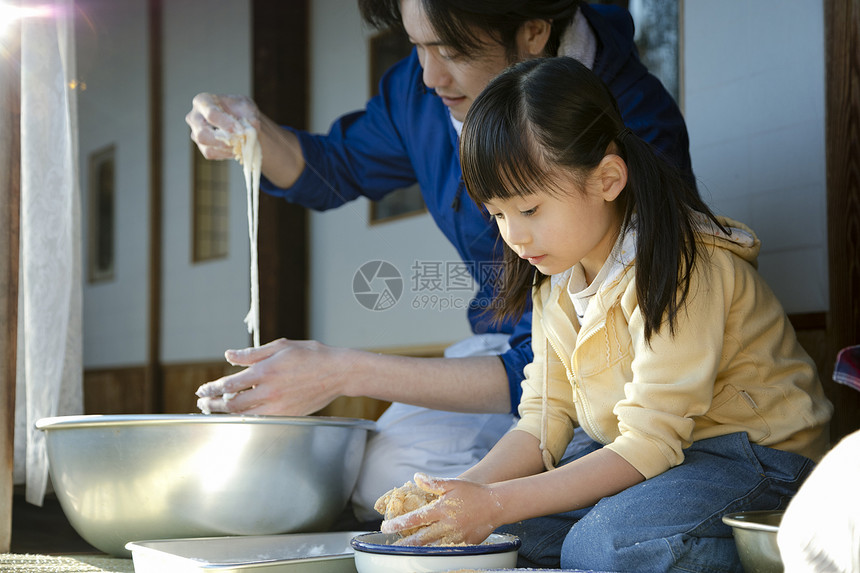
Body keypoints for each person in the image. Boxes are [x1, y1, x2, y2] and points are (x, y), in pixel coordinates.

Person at [186, 0, 694, 523]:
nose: (428, 76)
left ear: (534, 32)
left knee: (584, 518)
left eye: (450, 50)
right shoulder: (420, 88)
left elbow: (606, 372)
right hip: (517, 356)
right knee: (386, 483)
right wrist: (252, 134)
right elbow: (334, 165)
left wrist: (344, 372)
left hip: (615, 369)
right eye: (416, 46)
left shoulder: (633, 130)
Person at [376, 56, 833, 572]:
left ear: (608, 179)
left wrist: (498, 502)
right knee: (493, 535)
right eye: (497, 214)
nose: (514, 235)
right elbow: (543, 420)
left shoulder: (683, 264)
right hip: (654, 457)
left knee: (603, 548)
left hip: (757, 461)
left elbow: (651, 440)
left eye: (529, 210)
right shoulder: (554, 280)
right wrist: (465, 493)